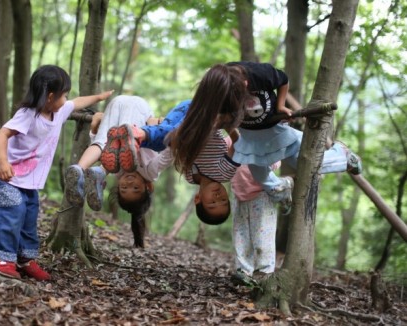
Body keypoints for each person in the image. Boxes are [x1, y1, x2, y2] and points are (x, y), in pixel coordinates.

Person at [169, 62, 362, 208]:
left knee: (306, 164)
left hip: (276, 130)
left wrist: (280, 106)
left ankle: (341, 156)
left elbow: (283, 78)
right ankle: (279, 189)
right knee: (258, 170)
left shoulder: (259, 75)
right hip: (251, 136)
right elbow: (223, 123)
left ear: (245, 85)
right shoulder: (219, 90)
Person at [0, 65, 113, 280]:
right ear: (50, 96)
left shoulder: (58, 110)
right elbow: (2, 133)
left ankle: (25, 259)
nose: (66, 99)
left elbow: (77, 103)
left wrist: (99, 96)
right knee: (11, 214)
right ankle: (2, 257)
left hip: (27, 180)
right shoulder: (28, 115)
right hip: (3, 175)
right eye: (64, 95)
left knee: (29, 217)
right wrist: (4, 162)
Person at [100, 99, 241, 225]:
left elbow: (176, 150)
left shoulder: (190, 176)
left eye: (212, 203)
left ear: (198, 199)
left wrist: (173, 142)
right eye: (223, 200)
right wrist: (226, 124)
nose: (218, 197)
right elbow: (237, 144)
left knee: (164, 138)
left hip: (185, 114)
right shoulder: (224, 174)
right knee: (164, 138)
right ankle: (135, 135)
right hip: (207, 117)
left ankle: (133, 137)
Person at [64, 95, 172, 247]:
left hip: (115, 104)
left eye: (124, 188)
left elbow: (101, 143)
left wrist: (95, 125)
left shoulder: (117, 170)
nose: (129, 182)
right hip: (138, 109)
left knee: (102, 143)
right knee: (124, 138)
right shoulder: (151, 172)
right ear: (148, 186)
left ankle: (79, 169)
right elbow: (168, 155)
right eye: (135, 188)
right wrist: (164, 128)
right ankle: (104, 168)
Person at [230, 163, 281, 286]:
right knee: (240, 236)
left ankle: (264, 273)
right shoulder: (234, 145)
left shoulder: (263, 144)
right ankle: (244, 272)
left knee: (264, 238)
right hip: (239, 196)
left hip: (262, 194)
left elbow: (274, 161)